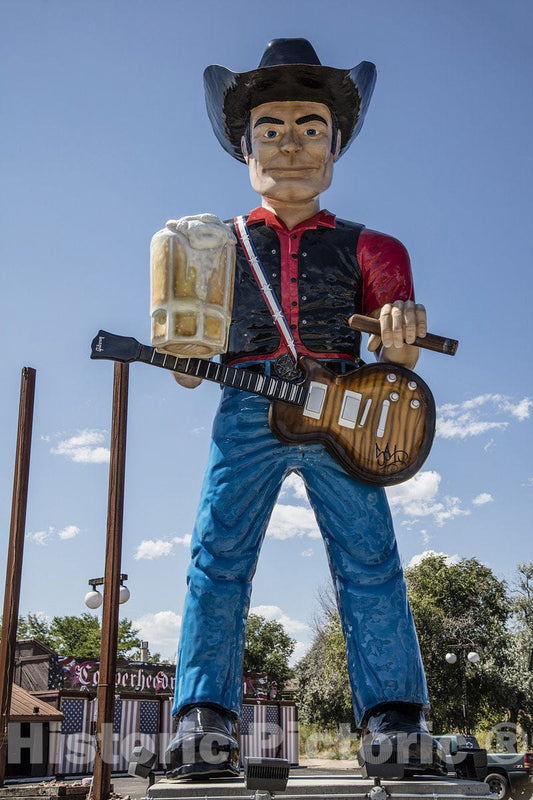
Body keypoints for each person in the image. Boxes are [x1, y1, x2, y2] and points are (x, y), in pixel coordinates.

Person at [165, 38, 446, 780]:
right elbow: (189, 361)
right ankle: (203, 715)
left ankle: (394, 713)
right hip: (246, 406)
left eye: (309, 128)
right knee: (216, 555)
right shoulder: (209, 247)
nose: (290, 145)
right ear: (244, 145)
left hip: (343, 409)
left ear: (336, 143)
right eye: (271, 129)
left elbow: (400, 359)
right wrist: (182, 355)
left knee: (368, 556)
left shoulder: (375, 248)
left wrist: (399, 337)